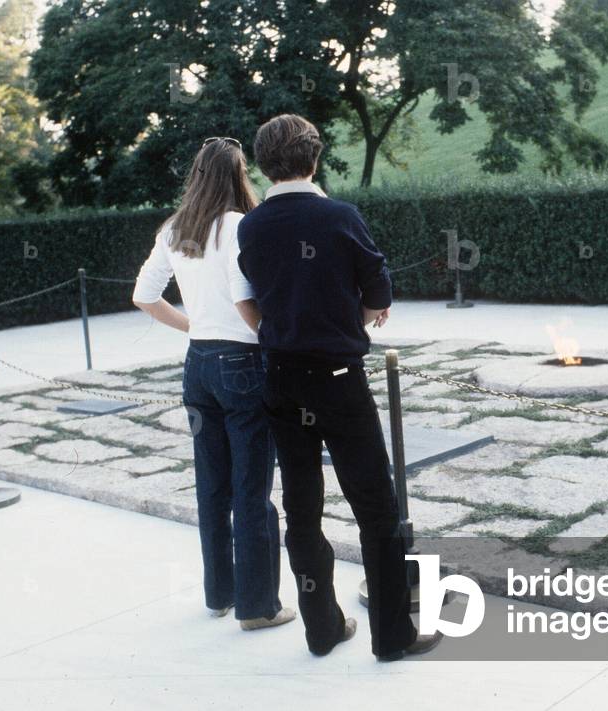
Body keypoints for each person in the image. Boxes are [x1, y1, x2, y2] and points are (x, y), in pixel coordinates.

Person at [236, 114, 442, 660]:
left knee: (302, 506)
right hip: (337, 378)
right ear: (315, 157)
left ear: (263, 164)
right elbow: (378, 291)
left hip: (280, 376)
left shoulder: (250, 227)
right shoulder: (338, 216)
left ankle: (321, 627)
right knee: (376, 506)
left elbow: (255, 298)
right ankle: (393, 637)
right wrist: (359, 315)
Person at [132, 136, 294, 631]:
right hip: (242, 363)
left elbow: (144, 295)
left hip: (197, 364)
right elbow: (249, 302)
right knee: (252, 488)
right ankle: (259, 606)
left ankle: (219, 595)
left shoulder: (175, 228)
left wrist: (193, 327)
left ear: (197, 174)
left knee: (212, 486)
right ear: (238, 174)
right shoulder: (240, 226)